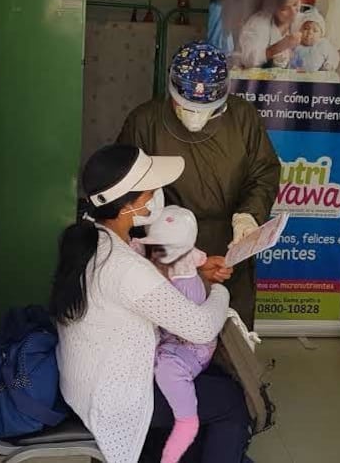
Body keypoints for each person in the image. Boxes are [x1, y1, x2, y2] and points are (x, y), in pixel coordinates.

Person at [52, 145, 252, 463]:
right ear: (126, 206)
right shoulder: (124, 266)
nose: (157, 195)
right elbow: (200, 328)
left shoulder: (93, 239)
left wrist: (195, 270)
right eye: (150, 191)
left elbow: (143, 274)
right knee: (230, 401)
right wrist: (218, 292)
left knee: (209, 384)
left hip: (83, 383)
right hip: (115, 399)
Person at [117, 41, 281, 328]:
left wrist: (248, 217)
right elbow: (128, 190)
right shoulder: (144, 122)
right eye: (186, 106)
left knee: (231, 335)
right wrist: (180, 256)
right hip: (165, 247)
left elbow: (263, 172)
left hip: (230, 242)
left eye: (205, 109)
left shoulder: (243, 118)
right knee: (172, 343)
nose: (195, 116)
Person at [139, 205, 215, 463]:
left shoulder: (185, 286)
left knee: (167, 370)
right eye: (155, 248)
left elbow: (181, 326)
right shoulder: (172, 255)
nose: (159, 256)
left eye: (166, 250)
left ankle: (184, 426)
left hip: (189, 348)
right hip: (172, 338)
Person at [235, 0, 313, 69]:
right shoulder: (258, 24)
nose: (293, 12)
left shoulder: (303, 20)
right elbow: (248, 59)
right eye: (284, 8)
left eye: (295, 4)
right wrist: (279, 46)